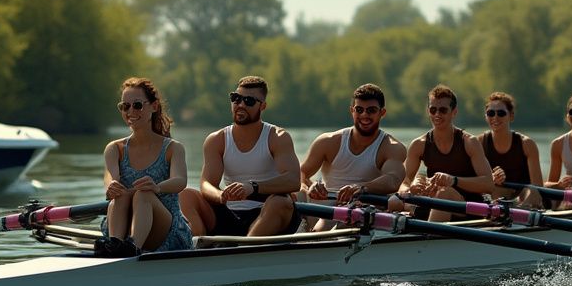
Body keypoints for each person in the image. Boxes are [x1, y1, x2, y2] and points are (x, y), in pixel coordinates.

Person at [180, 76, 303, 237]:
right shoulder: (216, 140)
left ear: (263, 106)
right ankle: (196, 248)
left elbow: (294, 180)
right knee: (186, 196)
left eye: (249, 101)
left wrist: (252, 187)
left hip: (267, 213)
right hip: (231, 214)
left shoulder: (278, 137)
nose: (241, 105)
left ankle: (245, 249)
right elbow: (206, 183)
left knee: (281, 202)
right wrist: (220, 195)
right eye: (236, 98)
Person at [97, 78, 193, 257]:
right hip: (123, 224)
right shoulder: (114, 149)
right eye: (125, 106)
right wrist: (111, 185)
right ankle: (116, 244)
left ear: (154, 107)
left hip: (166, 231)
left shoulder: (173, 148)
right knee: (120, 194)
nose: (131, 111)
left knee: (143, 195)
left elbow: (180, 181)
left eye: (138, 105)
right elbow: (110, 177)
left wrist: (157, 187)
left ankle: (132, 247)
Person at [299, 83, 407, 230]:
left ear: (382, 113)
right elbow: (301, 173)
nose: (364, 115)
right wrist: (309, 186)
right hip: (322, 208)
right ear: (352, 111)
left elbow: (393, 180)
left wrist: (360, 188)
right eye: (359, 110)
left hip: (362, 208)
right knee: (292, 194)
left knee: (348, 215)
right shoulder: (328, 141)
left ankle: (313, 240)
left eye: (371, 111)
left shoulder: (392, 147)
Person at [396, 85, 496, 221]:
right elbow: (403, 182)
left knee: (444, 193)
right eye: (433, 110)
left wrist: (453, 180)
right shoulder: (418, 144)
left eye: (443, 110)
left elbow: (488, 184)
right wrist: (410, 188)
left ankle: (429, 238)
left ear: (454, 112)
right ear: (428, 111)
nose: (437, 114)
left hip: (468, 207)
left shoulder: (469, 142)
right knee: (394, 201)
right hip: (436, 202)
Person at [479, 91, 544, 208]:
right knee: (496, 190)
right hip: (496, 196)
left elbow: (538, 187)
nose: (495, 117)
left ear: (511, 116)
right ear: (486, 116)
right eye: (490, 113)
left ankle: (517, 213)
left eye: (501, 113)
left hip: (524, 197)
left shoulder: (527, 144)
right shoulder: (479, 142)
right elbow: (476, 181)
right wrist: (491, 178)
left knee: (532, 192)